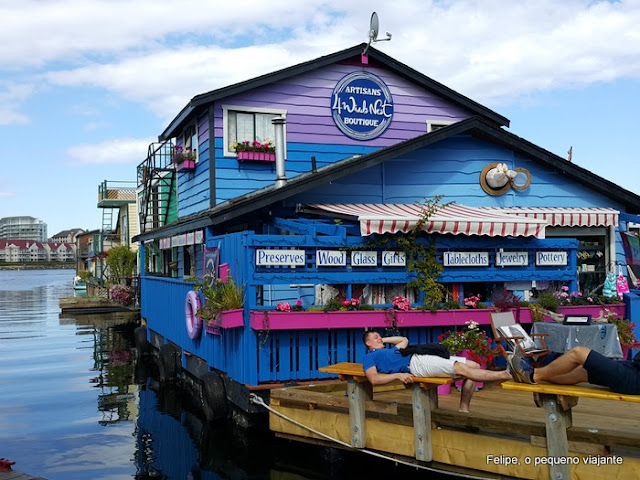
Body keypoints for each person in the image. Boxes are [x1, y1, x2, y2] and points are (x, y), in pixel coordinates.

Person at [362, 330, 512, 412]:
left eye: (379, 336)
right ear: (368, 343)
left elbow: (404, 340)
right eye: (376, 337)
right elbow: (374, 379)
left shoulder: (392, 351)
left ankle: (463, 407)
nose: (379, 338)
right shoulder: (370, 357)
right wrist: (398, 375)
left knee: (474, 366)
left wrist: (383, 340)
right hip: (415, 364)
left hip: (419, 356)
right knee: (460, 368)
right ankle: (506, 374)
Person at [508, 346, 640, 394]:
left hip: (634, 379)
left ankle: (532, 376)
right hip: (633, 368)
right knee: (582, 372)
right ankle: (528, 375)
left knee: (579, 353)